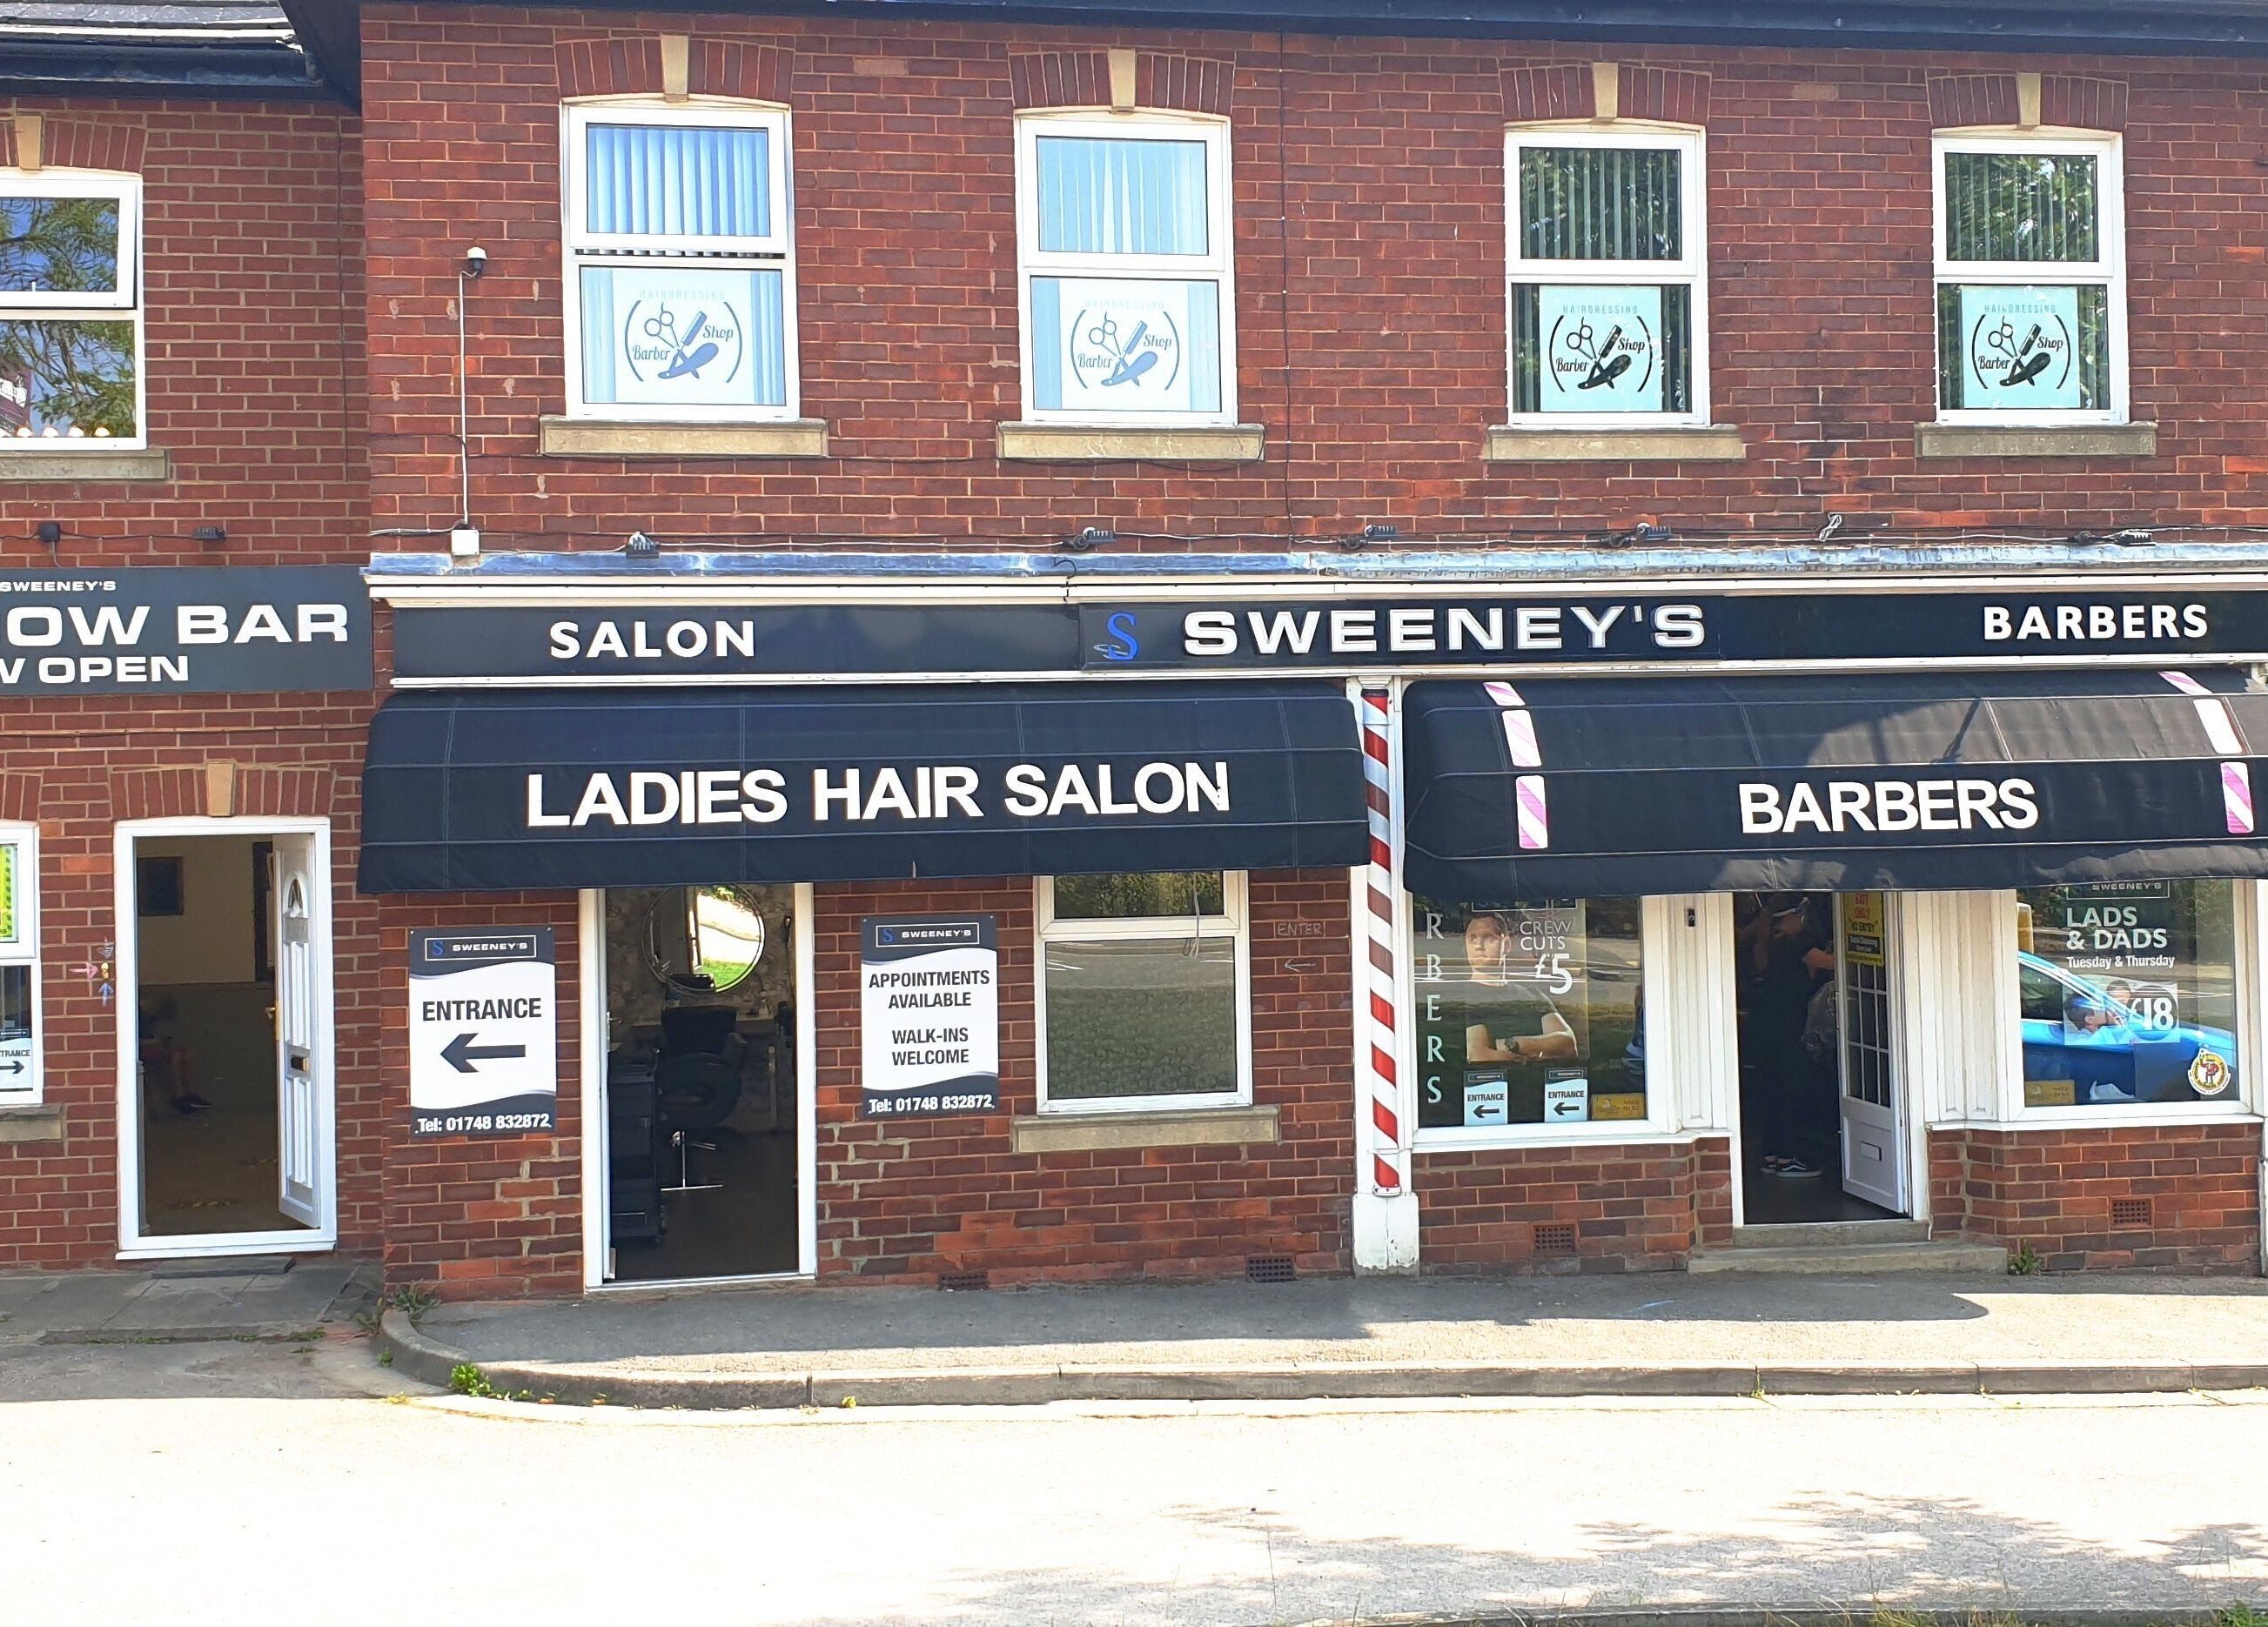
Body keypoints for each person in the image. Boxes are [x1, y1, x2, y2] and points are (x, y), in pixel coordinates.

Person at [1459, 910, 1579, 1064]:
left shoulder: (1531, 994)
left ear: (1507, 944)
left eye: (1488, 937)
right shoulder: (1460, 995)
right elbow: (1479, 1056)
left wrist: (1511, 1045)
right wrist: (1538, 1051)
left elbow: (1568, 1044)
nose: (1479, 946)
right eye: (1472, 938)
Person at [138, 995, 209, 1115]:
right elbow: (141, 1040)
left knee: (185, 1054)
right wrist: (160, 1043)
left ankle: (187, 1092)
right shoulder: (142, 1017)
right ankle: (179, 1095)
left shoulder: (149, 1016)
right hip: (141, 1050)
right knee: (175, 1057)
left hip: (148, 1047)